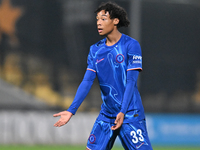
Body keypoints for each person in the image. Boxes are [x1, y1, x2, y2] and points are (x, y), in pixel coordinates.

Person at [53, 2, 153, 150]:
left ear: (116, 21)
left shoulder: (130, 45)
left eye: (103, 18)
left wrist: (123, 111)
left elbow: (131, 81)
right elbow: (87, 81)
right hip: (106, 115)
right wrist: (71, 110)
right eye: (97, 19)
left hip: (130, 114)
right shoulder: (95, 50)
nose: (99, 22)